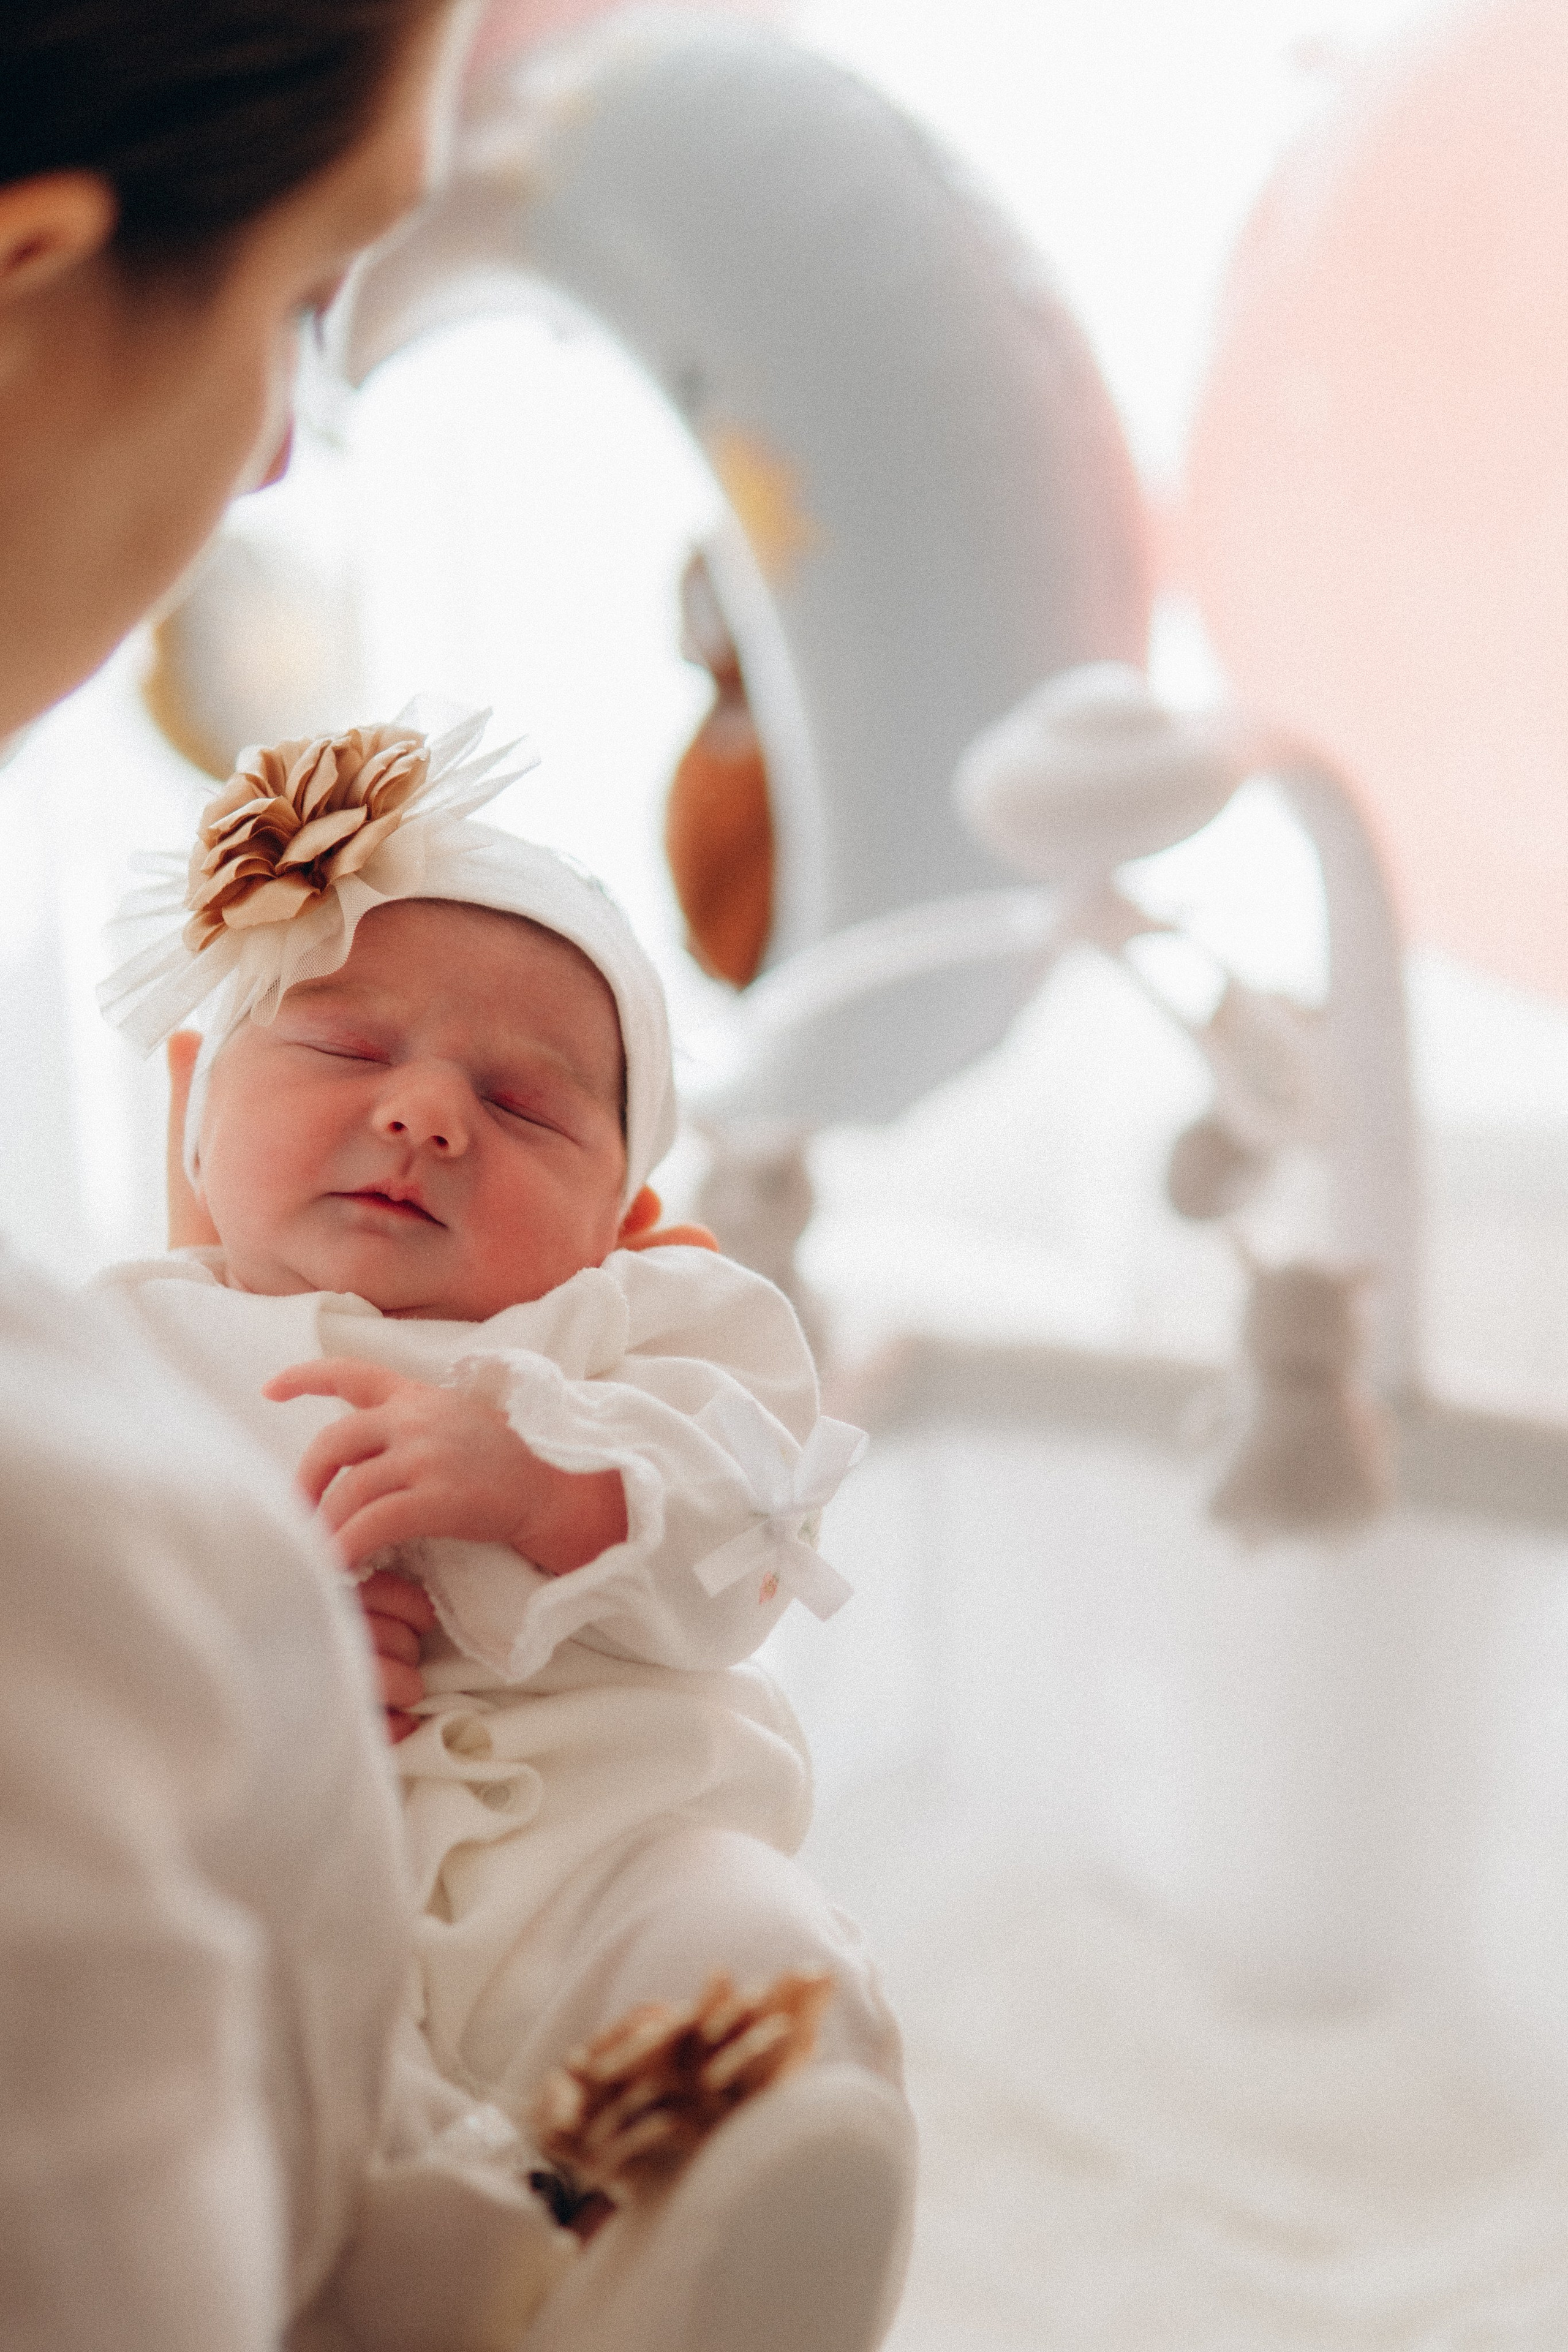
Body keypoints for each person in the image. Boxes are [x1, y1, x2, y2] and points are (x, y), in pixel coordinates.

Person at [96, 709, 916, 2352]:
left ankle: (751, 2216)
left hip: (605, 1866)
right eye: (341, 1049)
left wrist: (556, 1483)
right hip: (280, 1898)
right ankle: (448, 2268)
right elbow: (63, 1622)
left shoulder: (647, 1334)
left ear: (623, 1210)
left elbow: (757, 1532)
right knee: (192, 2053)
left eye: (527, 1105)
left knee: (758, 1952)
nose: (425, 1117)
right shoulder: (125, 1351)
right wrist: (262, 1631)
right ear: (193, 1114)